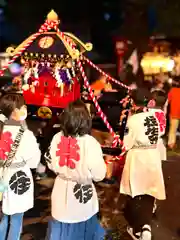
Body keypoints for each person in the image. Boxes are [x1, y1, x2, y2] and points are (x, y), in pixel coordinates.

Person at [45, 99, 106, 240]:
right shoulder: (90, 143)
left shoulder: (57, 138)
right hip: (82, 192)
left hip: (61, 189)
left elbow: (50, 163)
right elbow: (99, 175)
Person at [120, 91, 166, 240]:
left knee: (136, 192)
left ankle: (138, 228)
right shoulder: (154, 117)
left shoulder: (133, 120)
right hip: (153, 154)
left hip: (138, 156)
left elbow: (127, 144)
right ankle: (146, 226)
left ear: (133, 103)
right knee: (149, 191)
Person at [0, 93, 41, 240]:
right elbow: (34, 162)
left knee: (3, 216)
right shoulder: (26, 134)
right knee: (16, 219)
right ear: (14, 111)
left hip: (1, 177)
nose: (25, 108)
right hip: (17, 177)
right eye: (22, 107)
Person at [167, 82, 180, 149]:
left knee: (172, 129)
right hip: (176, 112)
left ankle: (171, 144)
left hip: (174, 112)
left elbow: (168, 101)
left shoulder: (172, 90)